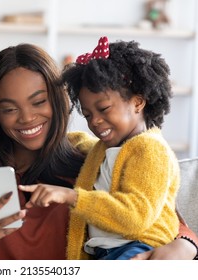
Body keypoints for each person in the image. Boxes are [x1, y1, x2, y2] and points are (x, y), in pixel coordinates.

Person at [0, 43, 198, 260]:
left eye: (39, 102)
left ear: (57, 100)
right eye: (10, 109)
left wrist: (186, 245)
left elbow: (163, 218)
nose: (27, 118)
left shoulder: (92, 158)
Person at [20, 37, 186, 260]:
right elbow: (91, 149)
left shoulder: (150, 149)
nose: (95, 121)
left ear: (138, 102)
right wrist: (63, 137)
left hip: (137, 249)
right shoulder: (109, 147)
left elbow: (135, 216)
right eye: (88, 115)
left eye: (104, 109)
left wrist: (70, 196)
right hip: (108, 252)